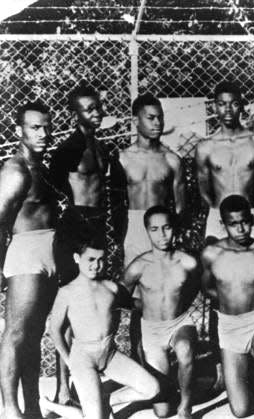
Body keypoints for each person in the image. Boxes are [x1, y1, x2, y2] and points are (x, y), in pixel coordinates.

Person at [41, 235, 161, 419]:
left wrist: (156, 300)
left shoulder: (111, 288)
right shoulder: (67, 292)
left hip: (109, 354)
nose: (96, 265)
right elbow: (54, 329)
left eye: (101, 260)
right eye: (90, 259)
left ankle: (105, 401)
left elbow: (133, 304)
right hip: (83, 359)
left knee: (152, 388)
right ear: (76, 258)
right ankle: (48, 405)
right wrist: (69, 360)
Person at [200, 195, 254, 418]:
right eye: (233, 223)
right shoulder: (211, 254)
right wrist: (229, 301)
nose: (241, 228)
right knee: (240, 411)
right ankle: (251, 379)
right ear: (223, 224)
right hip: (229, 327)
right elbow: (207, 288)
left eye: (245, 221)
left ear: (252, 220)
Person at [0, 101, 58, 419]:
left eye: (47, 126)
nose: (44, 133)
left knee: (34, 335)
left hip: (48, 252)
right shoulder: (15, 170)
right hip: (25, 255)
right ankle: (10, 409)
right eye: (35, 127)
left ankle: (33, 407)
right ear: (19, 129)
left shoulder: (42, 168)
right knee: (16, 333)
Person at [121, 206, 200, 419]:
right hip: (152, 331)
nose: (162, 235)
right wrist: (141, 306)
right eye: (155, 229)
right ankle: (174, 386)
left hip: (180, 322)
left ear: (174, 228)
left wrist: (181, 303)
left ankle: (186, 405)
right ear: (147, 231)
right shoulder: (138, 266)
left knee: (184, 349)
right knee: (162, 412)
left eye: (166, 228)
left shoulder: (188, 262)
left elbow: (196, 287)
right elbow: (121, 296)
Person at [49, 83, 127, 282]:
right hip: (78, 219)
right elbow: (53, 184)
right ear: (76, 115)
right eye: (90, 109)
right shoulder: (69, 149)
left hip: (98, 219)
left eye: (99, 107)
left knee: (97, 280)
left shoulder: (100, 147)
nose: (98, 113)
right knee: (73, 281)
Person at [194, 81, 254, 242]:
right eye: (222, 104)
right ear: (214, 107)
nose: (227, 110)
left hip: (249, 215)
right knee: (216, 264)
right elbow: (204, 191)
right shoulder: (205, 147)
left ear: (241, 106)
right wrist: (215, 214)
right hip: (218, 216)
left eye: (234, 104)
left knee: (253, 265)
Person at [119, 94, 185, 267]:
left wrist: (177, 231)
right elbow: (115, 203)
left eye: (160, 117)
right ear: (135, 120)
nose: (157, 123)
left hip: (162, 226)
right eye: (151, 118)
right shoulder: (123, 158)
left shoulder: (171, 159)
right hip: (133, 226)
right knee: (134, 284)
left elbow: (180, 205)